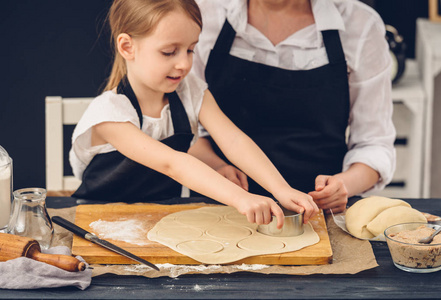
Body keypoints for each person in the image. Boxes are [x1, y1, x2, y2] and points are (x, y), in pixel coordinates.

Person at [69, 0, 318, 227]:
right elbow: (173, 163)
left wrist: (281, 189)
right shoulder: (109, 114)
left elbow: (233, 139)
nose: (185, 64)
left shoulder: (190, 91)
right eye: (169, 52)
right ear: (127, 46)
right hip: (100, 222)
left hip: (161, 219)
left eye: (190, 50)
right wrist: (241, 198)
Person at [188, 0, 396, 214]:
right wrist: (217, 167)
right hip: (222, 204)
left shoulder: (360, 25)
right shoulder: (202, 15)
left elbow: (374, 143)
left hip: (317, 211)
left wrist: (343, 185)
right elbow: (187, 128)